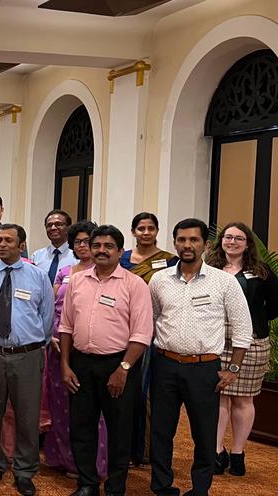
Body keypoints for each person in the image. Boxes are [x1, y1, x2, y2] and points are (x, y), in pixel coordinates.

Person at [148, 218, 252, 496]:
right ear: (175, 243)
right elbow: (153, 318)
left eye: (193, 240)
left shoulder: (224, 282)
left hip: (204, 368)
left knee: (204, 434)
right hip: (165, 364)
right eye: (181, 240)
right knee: (160, 431)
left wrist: (232, 369)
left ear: (205, 244)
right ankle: (161, 486)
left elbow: (243, 329)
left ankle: (200, 489)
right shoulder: (159, 280)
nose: (187, 245)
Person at [59, 225, 153, 496]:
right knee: (81, 427)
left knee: (119, 431)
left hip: (119, 365)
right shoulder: (77, 280)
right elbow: (66, 326)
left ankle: (115, 487)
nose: (101, 250)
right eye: (96, 245)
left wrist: (123, 369)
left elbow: (142, 332)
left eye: (108, 246)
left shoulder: (134, 284)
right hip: (81, 365)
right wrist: (66, 365)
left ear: (120, 251)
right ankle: (87, 484)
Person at [0, 224, 54, 496]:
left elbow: (46, 317)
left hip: (27, 355)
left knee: (27, 416)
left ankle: (25, 470)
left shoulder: (38, 276)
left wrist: (31, 344)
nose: (1, 244)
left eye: (8, 240)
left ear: (21, 246)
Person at [208, 222, 278, 476]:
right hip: (216, 342)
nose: (232, 242)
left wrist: (256, 319)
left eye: (238, 238)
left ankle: (237, 453)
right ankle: (216, 452)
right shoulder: (211, 269)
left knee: (243, 399)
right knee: (218, 398)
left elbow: (275, 304)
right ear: (221, 242)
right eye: (228, 237)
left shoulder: (261, 271)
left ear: (247, 243)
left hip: (251, 343)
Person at [42, 221, 108, 479]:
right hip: (59, 345)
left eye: (87, 241)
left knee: (91, 409)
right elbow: (51, 305)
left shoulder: (104, 272)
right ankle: (62, 458)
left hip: (87, 346)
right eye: (78, 242)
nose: (83, 246)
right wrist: (51, 335)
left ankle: (92, 463)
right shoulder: (65, 271)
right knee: (59, 406)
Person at [121, 211, 176, 467]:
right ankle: (122, 450)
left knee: (149, 394)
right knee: (124, 393)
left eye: (150, 228)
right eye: (140, 228)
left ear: (157, 231)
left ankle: (145, 452)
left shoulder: (170, 262)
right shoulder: (120, 259)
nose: (145, 233)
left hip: (155, 334)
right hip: (121, 332)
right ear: (133, 232)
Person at [32, 209, 76, 282]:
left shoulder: (76, 256)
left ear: (68, 228)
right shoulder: (37, 256)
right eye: (49, 225)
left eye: (58, 224)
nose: (53, 228)